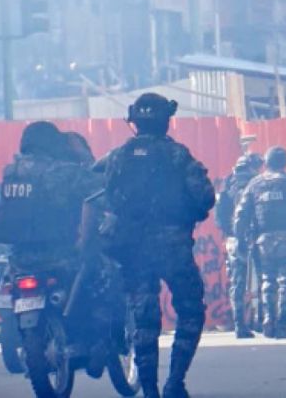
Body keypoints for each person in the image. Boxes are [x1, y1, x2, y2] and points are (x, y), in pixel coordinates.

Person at [100, 93, 215, 398]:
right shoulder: (178, 155)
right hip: (173, 247)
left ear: (134, 121)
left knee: (143, 317)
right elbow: (204, 197)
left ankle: (149, 389)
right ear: (165, 120)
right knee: (190, 310)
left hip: (132, 250)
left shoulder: (118, 156)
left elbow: (105, 195)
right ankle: (175, 382)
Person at [0, 121, 102, 275]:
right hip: (60, 256)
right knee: (108, 271)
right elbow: (100, 187)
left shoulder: (11, 172)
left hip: (18, 257)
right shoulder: (63, 171)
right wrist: (84, 155)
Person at [234, 146, 286, 340]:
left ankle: (268, 322)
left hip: (262, 240)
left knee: (267, 281)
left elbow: (241, 214)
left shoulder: (255, 184)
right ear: (284, 162)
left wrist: (240, 238)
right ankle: (281, 324)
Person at [214, 152, 264, 338]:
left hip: (234, 239)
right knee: (264, 279)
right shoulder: (258, 182)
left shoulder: (227, 184)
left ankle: (239, 324)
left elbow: (219, 214)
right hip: (257, 238)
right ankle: (262, 321)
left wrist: (230, 232)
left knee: (238, 282)